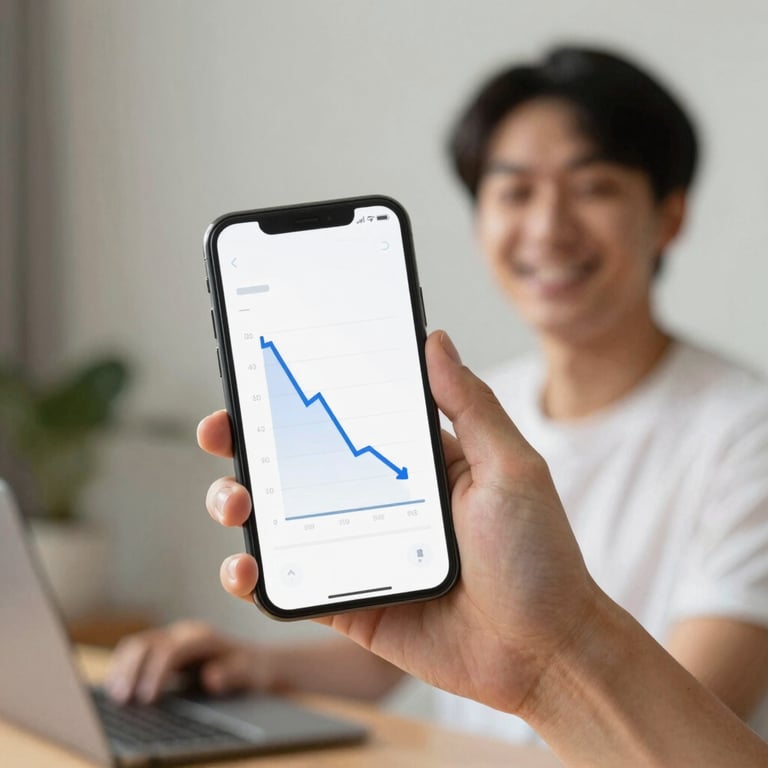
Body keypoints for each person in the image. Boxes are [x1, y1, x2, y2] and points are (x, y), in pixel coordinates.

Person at [106, 45, 768, 745]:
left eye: (593, 187)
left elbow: (695, 715)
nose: (548, 227)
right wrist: (254, 666)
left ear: (669, 215)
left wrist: (552, 661)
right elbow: (430, 633)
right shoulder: (482, 409)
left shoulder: (746, 434)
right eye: (514, 192)